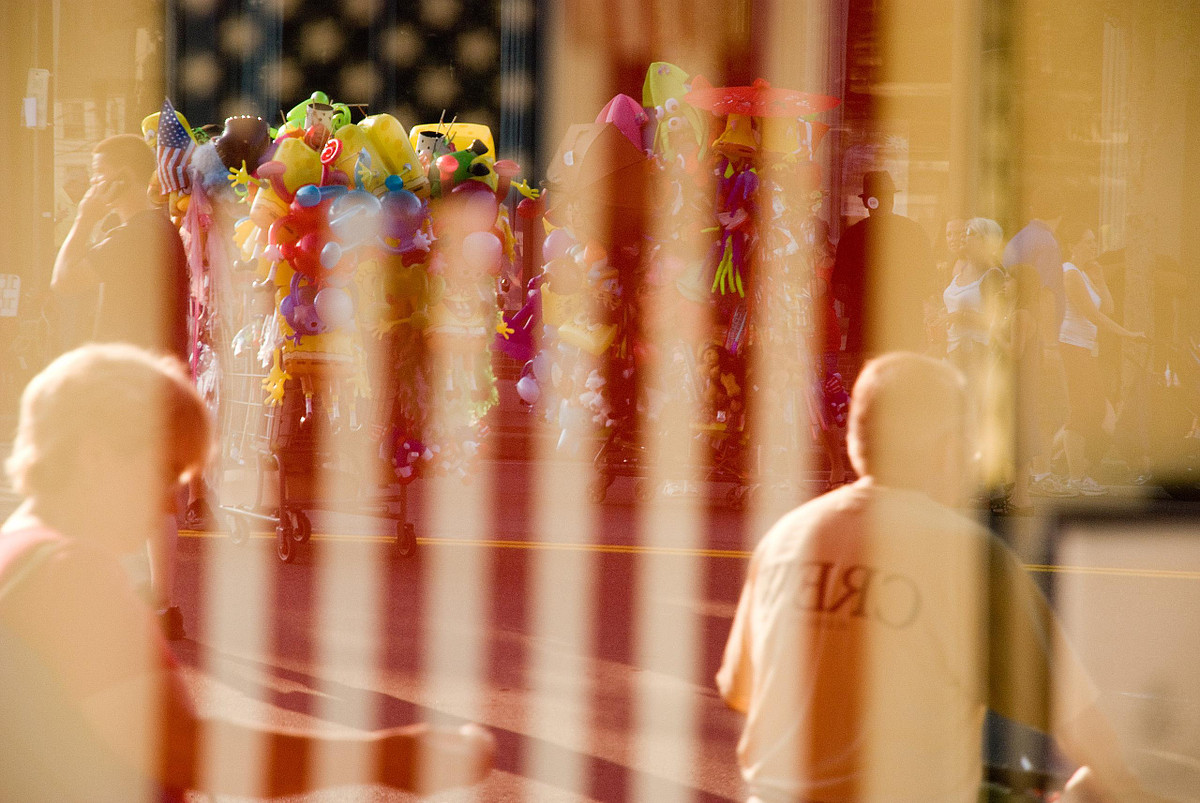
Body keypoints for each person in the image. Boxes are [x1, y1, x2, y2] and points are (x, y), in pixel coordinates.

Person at [0, 344, 494, 800]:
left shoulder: (22, 550)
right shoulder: (71, 572)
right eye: (164, 471)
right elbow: (181, 750)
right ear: (94, 455)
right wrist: (384, 757)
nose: (171, 499)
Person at [716, 352, 1167, 803]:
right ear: (948, 448)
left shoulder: (785, 539)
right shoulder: (967, 554)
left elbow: (742, 691)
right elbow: (1078, 725)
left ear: (855, 442)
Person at [51, 133, 193, 635]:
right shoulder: (157, 230)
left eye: (99, 176)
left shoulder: (135, 234)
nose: (92, 186)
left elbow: (63, 278)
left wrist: (84, 218)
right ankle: (160, 605)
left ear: (123, 178)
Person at [1056, 220, 1148, 495]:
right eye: (1087, 242)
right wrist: (1129, 335)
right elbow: (1094, 316)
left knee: (1097, 411)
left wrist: (1100, 281)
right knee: (1082, 411)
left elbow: (1107, 308)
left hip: (1085, 349)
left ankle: (1057, 464)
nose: (1093, 246)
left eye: (1095, 241)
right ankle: (1074, 477)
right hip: (1071, 346)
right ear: (1072, 245)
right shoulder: (1070, 273)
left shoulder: (1085, 275)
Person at [1002, 186, 1071, 496]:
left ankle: (1022, 477)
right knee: (1043, 404)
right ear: (1061, 214)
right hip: (1036, 336)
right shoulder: (1047, 242)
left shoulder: (1018, 238)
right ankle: (1040, 473)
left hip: (1015, 326)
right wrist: (1051, 345)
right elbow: (1045, 293)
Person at [831, 170, 935, 375]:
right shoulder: (914, 231)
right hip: (905, 331)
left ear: (866, 202)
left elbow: (839, 288)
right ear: (892, 200)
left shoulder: (851, 236)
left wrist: (865, 302)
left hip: (866, 332)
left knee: (870, 384)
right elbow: (929, 280)